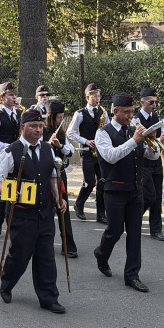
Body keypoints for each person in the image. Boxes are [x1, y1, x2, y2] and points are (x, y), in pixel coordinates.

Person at [0, 110, 67, 314]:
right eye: (33, 126)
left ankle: (49, 297)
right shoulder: (11, 151)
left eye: (41, 126)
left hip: (44, 212)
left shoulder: (49, 149)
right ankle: (7, 283)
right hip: (21, 213)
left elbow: (52, 177)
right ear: (23, 128)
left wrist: (59, 198)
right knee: (20, 254)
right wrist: (8, 193)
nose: (38, 130)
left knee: (46, 256)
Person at [93, 93, 160, 293]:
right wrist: (134, 140)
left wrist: (154, 142)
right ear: (115, 112)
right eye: (126, 112)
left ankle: (132, 275)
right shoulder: (102, 133)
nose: (131, 116)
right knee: (115, 231)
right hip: (114, 189)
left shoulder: (133, 130)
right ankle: (101, 254)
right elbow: (111, 157)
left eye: (132, 112)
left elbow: (152, 156)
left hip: (135, 190)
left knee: (135, 233)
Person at [67, 83, 109, 223]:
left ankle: (101, 214)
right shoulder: (79, 113)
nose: (97, 99)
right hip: (86, 151)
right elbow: (70, 133)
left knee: (102, 182)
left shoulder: (103, 112)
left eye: (98, 96)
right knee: (89, 182)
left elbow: (108, 130)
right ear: (87, 97)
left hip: (100, 152)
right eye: (94, 96)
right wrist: (85, 141)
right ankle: (79, 204)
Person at [134, 87, 164, 242]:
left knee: (158, 197)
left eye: (156, 102)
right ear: (142, 102)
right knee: (149, 196)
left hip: (157, 162)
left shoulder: (158, 118)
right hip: (143, 163)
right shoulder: (136, 120)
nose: (154, 105)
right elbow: (138, 144)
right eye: (151, 102)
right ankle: (132, 219)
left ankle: (156, 230)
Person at [0, 82, 22, 235]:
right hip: (5, 155)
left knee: (16, 186)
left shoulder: (19, 113)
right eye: (10, 95)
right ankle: (1, 216)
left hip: (19, 154)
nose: (14, 97)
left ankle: (4, 215)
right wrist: (9, 146)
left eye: (15, 94)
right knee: (8, 187)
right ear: (2, 98)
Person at [43, 100, 78, 258]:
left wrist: (59, 146)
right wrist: (47, 145)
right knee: (46, 210)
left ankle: (68, 245)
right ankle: (45, 243)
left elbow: (69, 152)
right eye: (59, 118)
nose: (61, 121)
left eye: (62, 117)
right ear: (51, 117)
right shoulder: (41, 130)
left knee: (63, 208)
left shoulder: (61, 132)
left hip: (59, 174)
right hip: (43, 175)